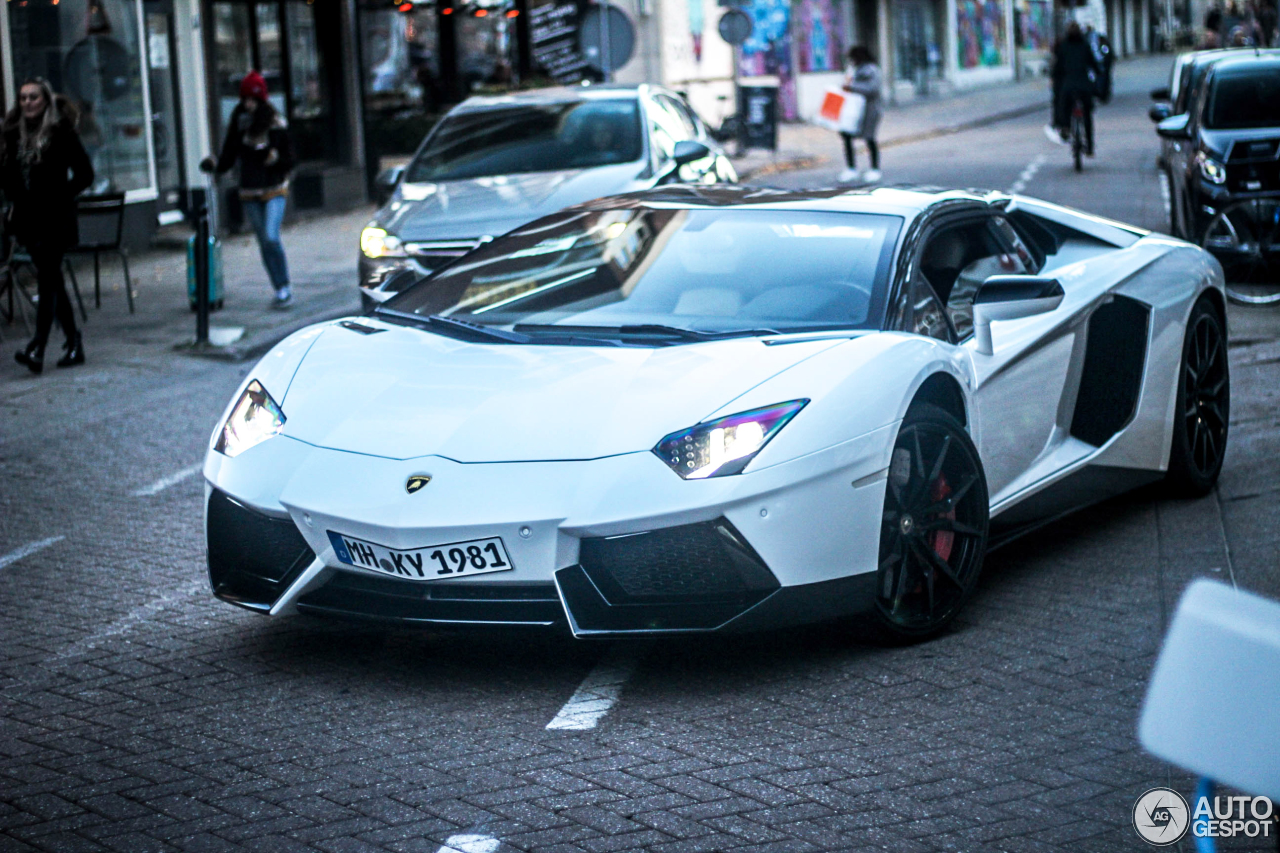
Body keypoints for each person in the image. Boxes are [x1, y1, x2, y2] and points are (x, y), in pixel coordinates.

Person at [3, 78, 94, 375]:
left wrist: (60, 197)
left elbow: (85, 174)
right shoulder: (15, 136)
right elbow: (10, 179)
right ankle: (73, 342)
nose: (27, 103)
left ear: (45, 100)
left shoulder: (61, 132)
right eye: (23, 98)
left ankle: (38, 346)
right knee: (53, 280)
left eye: (33, 97)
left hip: (55, 220)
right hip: (29, 222)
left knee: (47, 279)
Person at [201, 71, 295, 308]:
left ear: (261, 99)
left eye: (252, 99)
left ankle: (285, 283)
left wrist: (275, 160)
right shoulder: (239, 123)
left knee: (272, 236)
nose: (247, 104)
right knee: (263, 241)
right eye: (244, 99)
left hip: (274, 187)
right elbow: (229, 152)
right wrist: (216, 166)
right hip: (249, 190)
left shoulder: (276, 123)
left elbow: (291, 157)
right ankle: (279, 289)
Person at [1046, 22, 1101, 155]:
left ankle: (1065, 127)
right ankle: (1089, 145)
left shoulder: (1063, 47)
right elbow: (1093, 64)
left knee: (1063, 105)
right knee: (1087, 114)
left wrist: (1054, 79)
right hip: (1084, 85)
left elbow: (1057, 67)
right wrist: (1098, 74)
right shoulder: (1085, 45)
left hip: (1069, 85)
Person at [839, 46, 882, 184]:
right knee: (847, 136)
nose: (852, 61)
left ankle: (875, 168)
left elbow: (873, 89)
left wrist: (852, 87)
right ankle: (851, 168)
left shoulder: (871, 70)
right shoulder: (855, 70)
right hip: (854, 111)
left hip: (869, 110)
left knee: (869, 138)